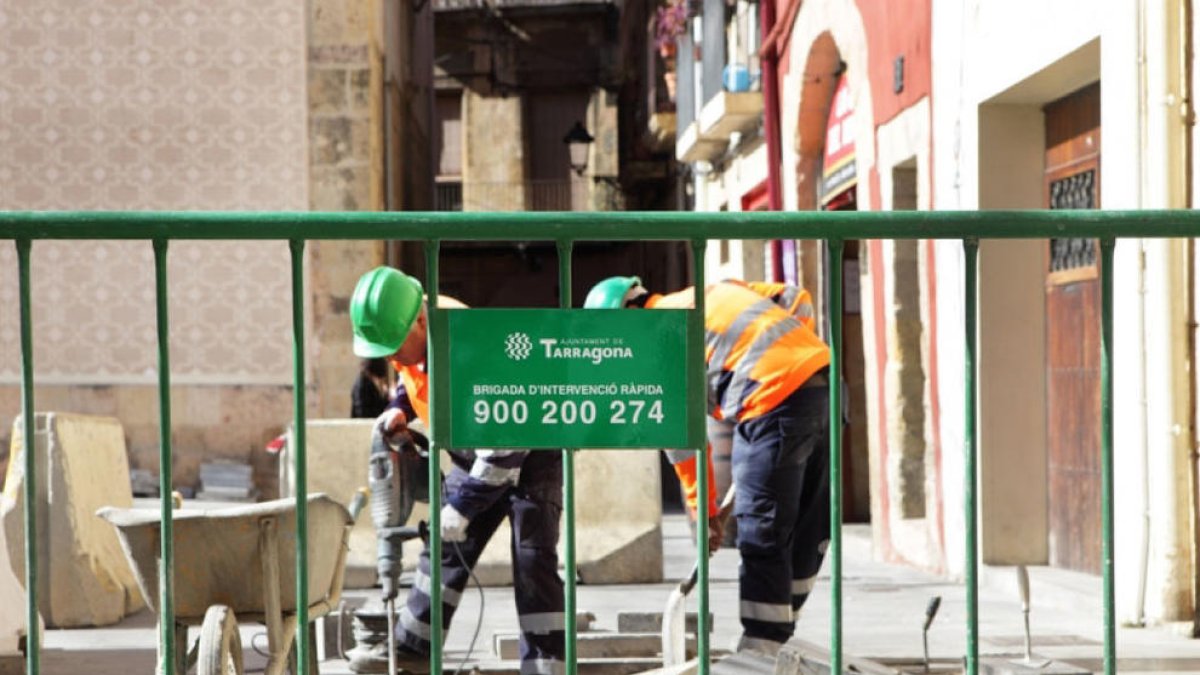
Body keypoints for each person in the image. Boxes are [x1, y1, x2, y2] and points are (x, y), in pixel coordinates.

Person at [584, 276, 831, 658]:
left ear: (628, 315)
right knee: (806, 524)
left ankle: (761, 647)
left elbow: (683, 443)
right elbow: (796, 296)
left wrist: (705, 513)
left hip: (770, 402)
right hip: (822, 387)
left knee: (760, 527)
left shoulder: (657, 341)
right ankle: (783, 630)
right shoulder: (709, 290)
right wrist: (793, 356)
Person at [349, 266, 565, 675]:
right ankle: (412, 651)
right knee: (444, 552)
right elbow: (413, 375)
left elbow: (505, 446)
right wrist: (400, 407)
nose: (389, 356)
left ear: (420, 320)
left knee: (533, 561)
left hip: (531, 454)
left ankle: (546, 666)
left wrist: (463, 506)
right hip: (476, 450)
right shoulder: (414, 330)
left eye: (393, 346)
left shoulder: (467, 348)